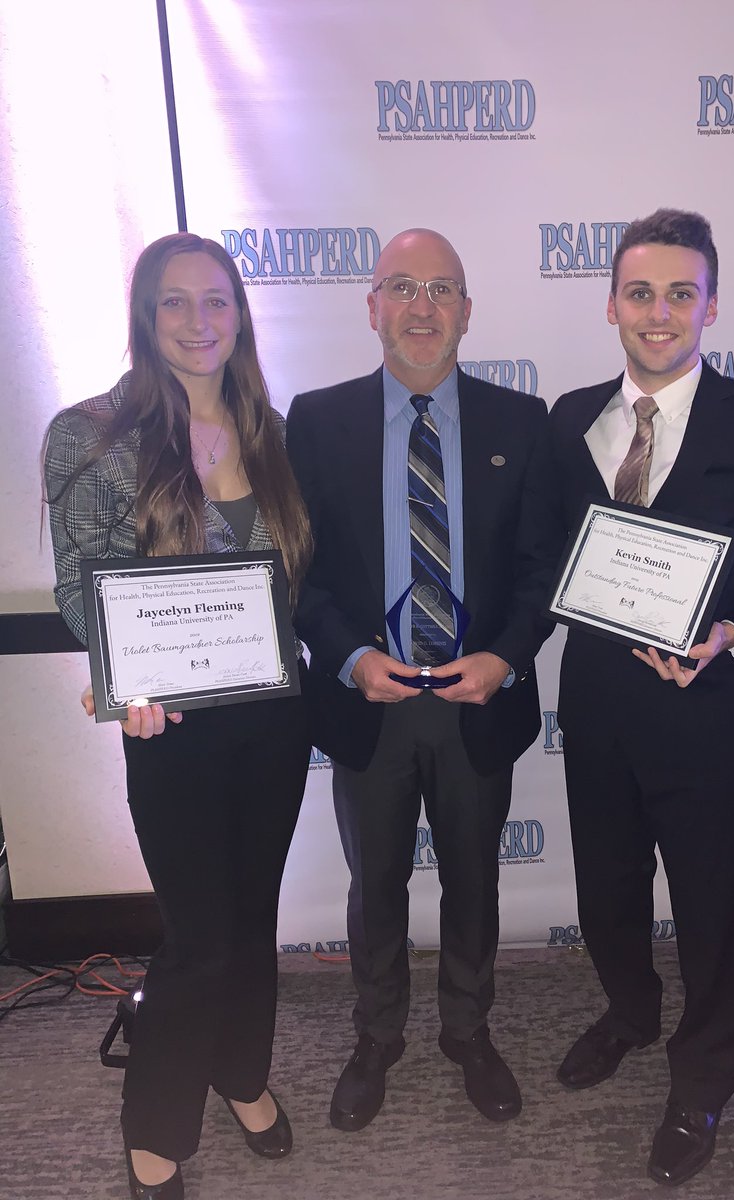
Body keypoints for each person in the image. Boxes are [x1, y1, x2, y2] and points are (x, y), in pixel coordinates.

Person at [548, 209, 734, 1186]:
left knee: (713, 911)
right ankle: (631, 1013)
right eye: (640, 292)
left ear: (711, 306)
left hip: (706, 712)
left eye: (682, 293)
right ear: (611, 304)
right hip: (596, 708)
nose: (660, 312)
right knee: (606, 892)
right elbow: (552, 554)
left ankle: (706, 1076)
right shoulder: (570, 417)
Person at [43, 233, 313, 1200]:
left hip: (273, 717)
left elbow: (289, 583)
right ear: (144, 315)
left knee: (251, 916)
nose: (199, 322)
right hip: (172, 728)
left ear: (240, 316)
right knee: (198, 936)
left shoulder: (268, 429)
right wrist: (121, 675)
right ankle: (155, 1124)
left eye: (217, 301)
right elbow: (80, 581)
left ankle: (240, 1072)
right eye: (175, 301)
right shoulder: (91, 434)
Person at [287, 228, 559, 1131]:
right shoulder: (316, 421)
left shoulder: (522, 422)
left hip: (479, 699)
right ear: (372, 306)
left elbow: (544, 569)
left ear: (468, 312)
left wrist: (507, 657)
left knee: (474, 881)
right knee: (376, 887)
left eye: (442, 289)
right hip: (369, 701)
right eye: (401, 287)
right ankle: (377, 1036)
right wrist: (350, 658)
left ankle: (468, 1031)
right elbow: (299, 575)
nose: (422, 307)